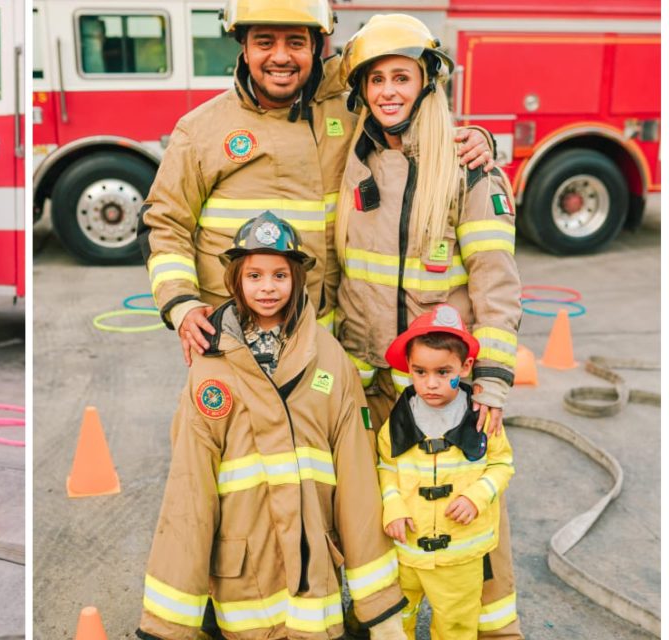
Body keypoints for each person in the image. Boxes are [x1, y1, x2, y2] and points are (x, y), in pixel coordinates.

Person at [138, 0, 494, 372]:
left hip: (323, 342)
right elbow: (164, 222)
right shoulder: (200, 130)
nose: (280, 56)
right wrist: (181, 303)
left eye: (295, 42)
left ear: (316, 47)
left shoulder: (347, 113)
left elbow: (411, 120)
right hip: (232, 339)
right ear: (243, 47)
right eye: (264, 42)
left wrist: (474, 138)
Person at [331, 15, 522, 638]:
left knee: (476, 524)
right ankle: (383, 623)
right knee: (384, 516)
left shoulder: (470, 169)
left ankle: (494, 629)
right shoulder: (351, 166)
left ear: (426, 82)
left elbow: (497, 286)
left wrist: (488, 387)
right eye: (377, 79)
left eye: (402, 77)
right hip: (374, 387)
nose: (389, 91)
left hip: (448, 388)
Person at [137, 213, 406, 640]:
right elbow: (189, 492)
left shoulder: (330, 359)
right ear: (235, 281)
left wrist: (380, 610)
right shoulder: (211, 368)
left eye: (280, 275)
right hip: (244, 575)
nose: (267, 287)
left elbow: (357, 482)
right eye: (255, 275)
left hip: (313, 571)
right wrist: (170, 622)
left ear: (297, 280)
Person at [376, 305, 514, 639]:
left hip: (460, 557)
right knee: (397, 619)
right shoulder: (397, 422)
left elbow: (501, 465)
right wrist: (392, 506)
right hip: (406, 550)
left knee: (455, 624)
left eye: (443, 372)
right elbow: (386, 467)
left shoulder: (482, 419)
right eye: (419, 372)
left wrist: (476, 496)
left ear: (466, 367)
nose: (431, 383)